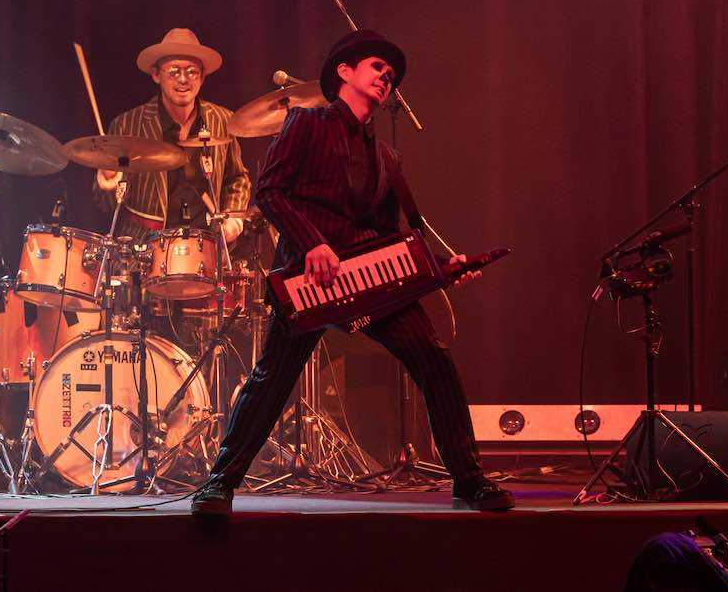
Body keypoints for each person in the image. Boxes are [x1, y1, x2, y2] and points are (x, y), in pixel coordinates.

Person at [191, 29, 514, 515]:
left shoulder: (386, 157)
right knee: (273, 378)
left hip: (370, 281)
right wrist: (312, 244)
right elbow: (270, 192)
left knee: (432, 357)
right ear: (344, 71)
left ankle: (469, 480)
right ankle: (220, 482)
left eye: (392, 74)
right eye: (377, 67)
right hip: (308, 278)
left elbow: (391, 237)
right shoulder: (306, 122)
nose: (387, 77)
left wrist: (440, 268)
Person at [93, 28, 249, 244]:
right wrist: (109, 181)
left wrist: (233, 218)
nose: (183, 79)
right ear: (156, 75)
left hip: (208, 247)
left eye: (192, 72)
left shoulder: (223, 121)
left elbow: (237, 178)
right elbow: (104, 205)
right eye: (174, 71)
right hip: (143, 248)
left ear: (203, 77)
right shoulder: (127, 125)